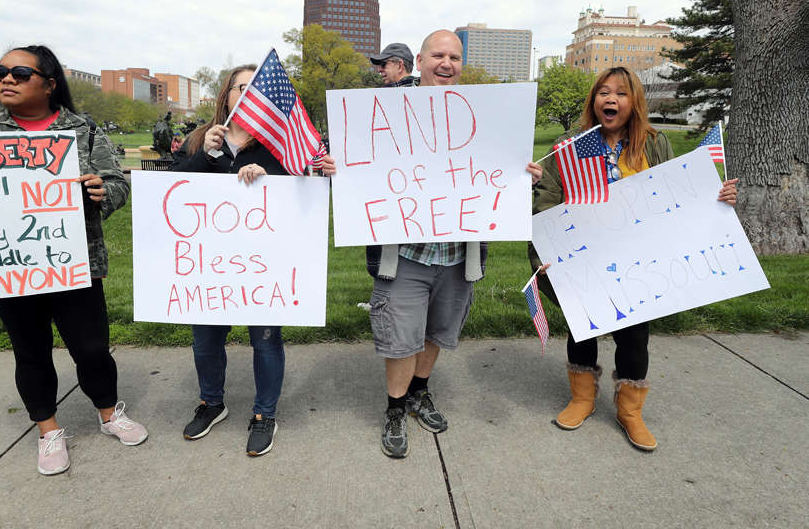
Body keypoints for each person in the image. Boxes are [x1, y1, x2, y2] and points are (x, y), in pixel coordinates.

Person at [0, 45, 148, 475]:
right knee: (30, 352)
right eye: (0, 71)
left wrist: (103, 192)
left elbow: (118, 184)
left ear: (48, 84)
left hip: (74, 263)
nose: (6, 79)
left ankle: (108, 413)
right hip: (9, 266)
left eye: (19, 72)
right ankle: (48, 430)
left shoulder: (81, 130)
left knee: (92, 348)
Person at [529, 66, 738, 451]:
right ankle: (582, 398)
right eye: (603, 92)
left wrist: (715, 197)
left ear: (635, 102)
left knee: (634, 336)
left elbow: (679, 196)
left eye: (621, 94)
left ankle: (630, 410)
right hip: (584, 258)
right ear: (594, 101)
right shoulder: (569, 145)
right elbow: (547, 203)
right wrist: (549, 246)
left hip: (639, 261)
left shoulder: (655, 145)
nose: (611, 99)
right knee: (583, 328)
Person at [370, 30, 543, 458]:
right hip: (406, 254)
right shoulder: (388, 110)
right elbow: (360, 161)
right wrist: (338, 168)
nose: (446, 63)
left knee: (437, 333)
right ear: (420, 61)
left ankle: (419, 393)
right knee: (400, 336)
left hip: (456, 255)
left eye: (454, 56)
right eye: (438, 55)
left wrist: (522, 176)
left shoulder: (481, 116)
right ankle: (395, 409)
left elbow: (498, 166)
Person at [171, 65, 336, 456]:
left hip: (263, 266)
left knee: (265, 338)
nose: (248, 94)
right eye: (240, 87)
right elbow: (173, 187)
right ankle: (212, 403)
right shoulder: (201, 139)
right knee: (205, 340)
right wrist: (208, 154)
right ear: (226, 96)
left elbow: (300, 191)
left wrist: (268, 177)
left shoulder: (277, 144)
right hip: (210, 264)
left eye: (255, 87)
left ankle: (265, 414)